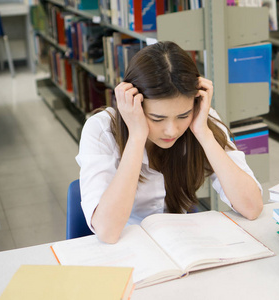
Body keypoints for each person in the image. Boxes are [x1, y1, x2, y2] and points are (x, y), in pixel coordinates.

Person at [76, 41, 263, 244]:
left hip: (178, 242)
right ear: (134, 104)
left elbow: (251, 207)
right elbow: (107, 232)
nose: (172, 130)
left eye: (183, 115)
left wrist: (203, 132)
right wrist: (137, 136)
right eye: (157, 118)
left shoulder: (201, 119)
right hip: (125, 245)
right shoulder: (100, 130)